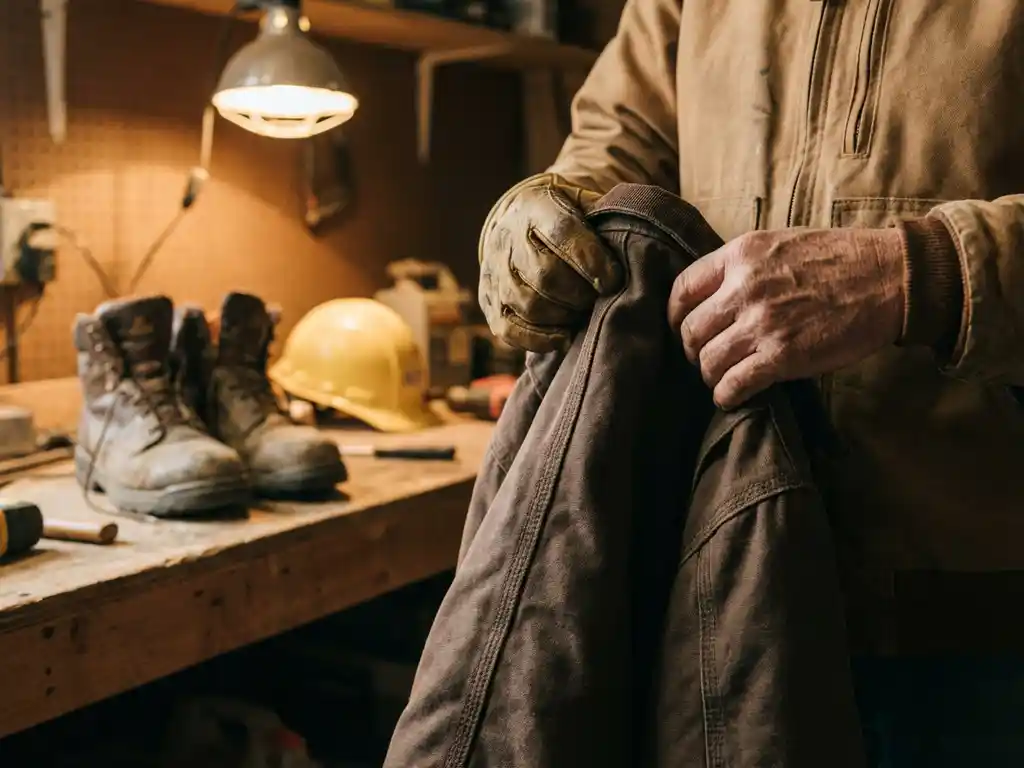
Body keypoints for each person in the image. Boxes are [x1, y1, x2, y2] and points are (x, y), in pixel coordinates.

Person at [476, 2, 1024, 765]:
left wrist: (917, 276)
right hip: (719, 588)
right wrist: (541, 217)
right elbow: (614, 150)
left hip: (977, 626)